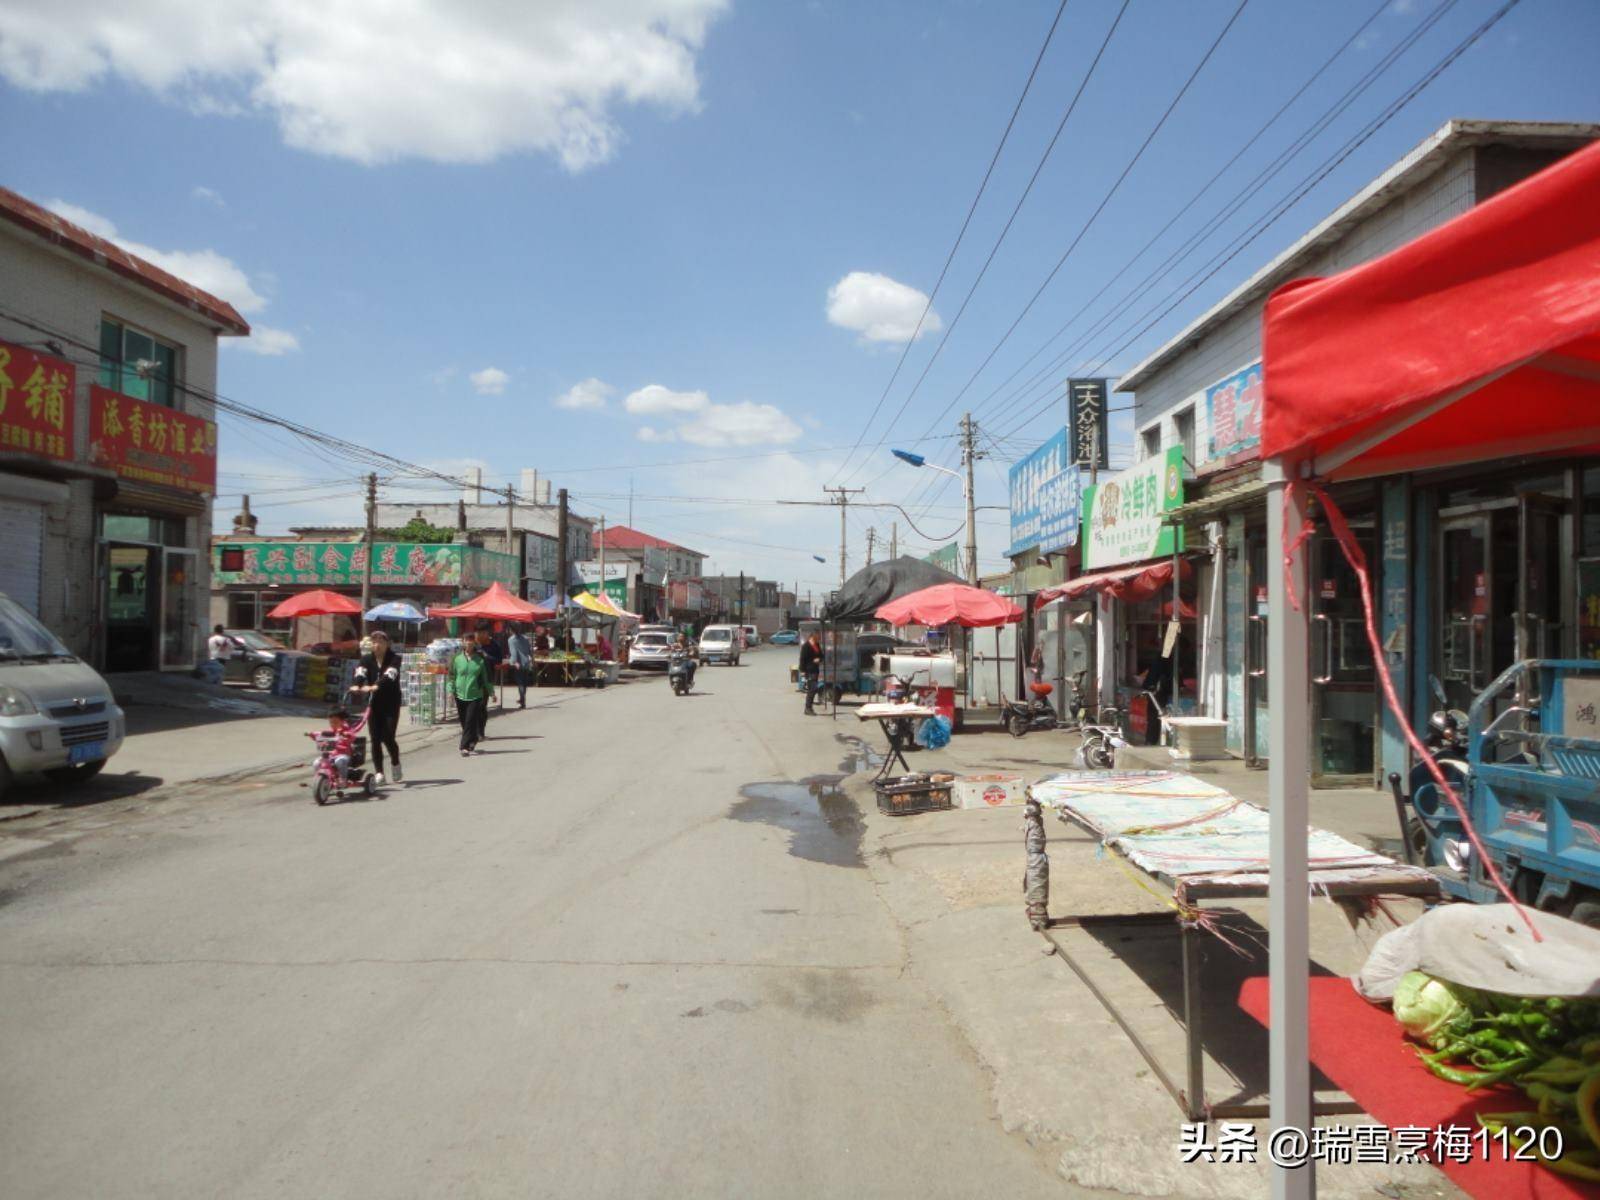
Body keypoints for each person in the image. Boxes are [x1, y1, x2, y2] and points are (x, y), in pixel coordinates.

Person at [353, 629, 403, 784]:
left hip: (391, 703)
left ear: (387, 644)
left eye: (381, 642)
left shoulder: (395, 658)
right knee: (375, 738)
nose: (377, 645)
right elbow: (360, 673)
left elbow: (390, 675)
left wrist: (376, 685)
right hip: (373, 703)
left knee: (388, 737)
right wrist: (357, 685)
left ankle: (395, 762)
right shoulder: (366, 659)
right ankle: (379, 772)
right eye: (374, 642)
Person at [450, 636, 492, 757]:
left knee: (469, 720)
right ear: (463, 644)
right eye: (466, 643)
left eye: (471, 644)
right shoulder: (457, 659)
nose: (468, 646)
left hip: (475, 695)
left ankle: (464, 747)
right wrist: (450, 691)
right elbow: (452, 676)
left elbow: (485, 678)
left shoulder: (480, 660)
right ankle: (472, 740)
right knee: (464, 722)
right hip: (460, 695)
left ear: (474, 645)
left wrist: (491, 692)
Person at [316, 707, 358, 788]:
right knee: (317, 762)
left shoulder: (347, 730)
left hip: (343, 754)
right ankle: (318, 778)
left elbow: (352, 736)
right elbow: (321, 734)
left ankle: (343, 779)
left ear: (342, 721)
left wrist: (346, 735)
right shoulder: (331, 731)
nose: (332, 725)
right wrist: (313, 734)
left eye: (335, 722)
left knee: (340, 761)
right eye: (331, 722)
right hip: (330, 754)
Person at [506, 623, 533, 708]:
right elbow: (529, 651)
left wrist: (514, 662)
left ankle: (522, 700)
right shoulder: (525, 638)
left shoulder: (511, 640)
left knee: (520, 683)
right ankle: (522, 699)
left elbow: (513, 652)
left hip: (518, 663)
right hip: (526, 662)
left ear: (511, 630)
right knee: (524, 683)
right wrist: (532, 660)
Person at [799, 632, 823, 715]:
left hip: (815, 670)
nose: (819, 639)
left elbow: (821, 656)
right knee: (813, 688)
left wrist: (819, 659)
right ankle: (808, 708)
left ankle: (809, 708)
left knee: (813, 689)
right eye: (818, 637)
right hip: (809, 670)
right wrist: (802, 671)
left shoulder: (817, 645)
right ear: (813, 637)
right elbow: (802, 659)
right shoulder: (806, 646)